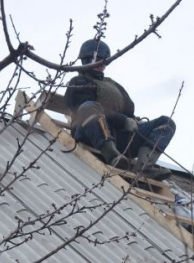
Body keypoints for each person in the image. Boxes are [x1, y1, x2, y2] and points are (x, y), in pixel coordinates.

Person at [64, 39, 175, 181]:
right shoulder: (78, 83)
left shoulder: (112, 85)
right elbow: (82, 107)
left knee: (166, 123)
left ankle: (145, 167)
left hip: (120, 139)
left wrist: (134, 121)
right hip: (90, 134)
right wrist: (122, 121)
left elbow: (128, 111)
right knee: (89, 107)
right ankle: (112, 155)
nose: (102, 65)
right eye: (98, 60)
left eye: (105, 61)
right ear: (87, 59)